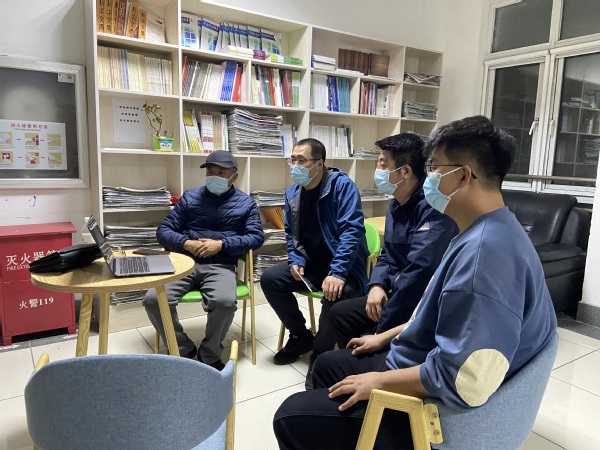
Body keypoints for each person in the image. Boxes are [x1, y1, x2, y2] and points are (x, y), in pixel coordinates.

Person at [273, 116, 558, 449]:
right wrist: (385, 337)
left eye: (434, 168)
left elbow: (463, 380)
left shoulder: (484, 256)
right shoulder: (490, 229)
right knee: (326, 365)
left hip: (425, 405)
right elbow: (436, 314)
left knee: (289, 416)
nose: (427, 178)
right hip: (416, 356)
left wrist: (379, 382)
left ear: (463, 175)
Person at [330, 133, 457, 351]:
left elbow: (419, 273)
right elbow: (387, 253)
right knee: (339, 314)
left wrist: (382, 329)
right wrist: (376, 285)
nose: (377, 169)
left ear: (405, 171)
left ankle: (371, 361)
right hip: (393, 292)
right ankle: (357, 359)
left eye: (382, 163)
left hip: (418, 302)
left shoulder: (433, 208)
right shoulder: (396, 203)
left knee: (363, 336)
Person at [143, 150, 264, 370]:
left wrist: (222, 245)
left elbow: (256, 238)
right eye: (210, 172)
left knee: (224, 302)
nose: (214, 176)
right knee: (153, 300)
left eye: (221, 173)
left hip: (221, 264)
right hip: (184, 263)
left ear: (234, 176)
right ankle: (182, 348)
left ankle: (209, 353)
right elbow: (164, 231)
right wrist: (185, 243)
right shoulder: (190, 197)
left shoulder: (246, 203)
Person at [260, 138, 370, 371]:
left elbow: (351, 232)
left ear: (319, 164)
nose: (295, 166)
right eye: (293, 160)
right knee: (270, 279)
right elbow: (291, 234)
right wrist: (296, 260)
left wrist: (337, 273)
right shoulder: (293, 193)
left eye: (302, 160)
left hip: (344, 266)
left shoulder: (342, 186)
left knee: (337, 294)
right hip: (312, 264)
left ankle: (321, 354)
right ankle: (301, 336)